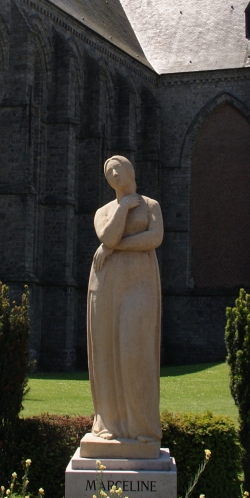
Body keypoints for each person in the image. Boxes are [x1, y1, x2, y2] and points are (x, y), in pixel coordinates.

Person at [85, 155, 164, 452]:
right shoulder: (104, 211)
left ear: (131, 170)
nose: (114, 174)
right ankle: (110, 423)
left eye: (118, 169)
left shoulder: (151, 205)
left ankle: (143, 427)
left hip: (139, 284)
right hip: (105, 286)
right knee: (106, 352)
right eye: (108, 172)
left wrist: (113, 249)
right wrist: (123, 208)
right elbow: (107, 234)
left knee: (135, 350)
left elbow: (154, 238)